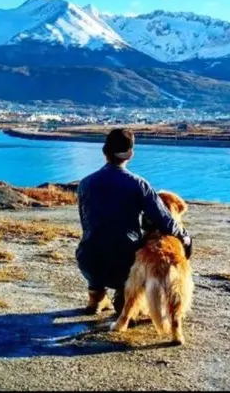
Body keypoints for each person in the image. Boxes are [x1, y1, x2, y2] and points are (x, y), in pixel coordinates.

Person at [75, 128, 192, 315]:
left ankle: (96, 297)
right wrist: (185, 239)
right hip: (124, 263)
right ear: (130, 154)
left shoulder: (85, 183)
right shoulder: (139, 185)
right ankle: (125, 297)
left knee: (97, 241)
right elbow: (165, 221)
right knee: (138, 254)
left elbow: (86, 221)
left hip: (88, 260)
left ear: (105, 152)